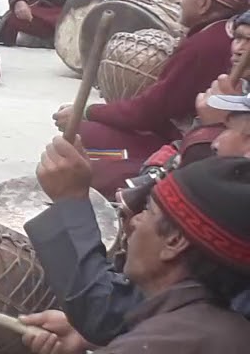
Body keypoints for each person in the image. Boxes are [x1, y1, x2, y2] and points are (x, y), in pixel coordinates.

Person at [56, 0, 250, 194]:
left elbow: (148, 112)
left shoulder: (204, 45)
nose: (179, 0)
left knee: (87, 138)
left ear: (203, 4)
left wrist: (88, 111)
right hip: (198, 137)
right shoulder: (223, 32)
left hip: (190, 145)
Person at [22, 142, 250, 353]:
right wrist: (89, 340)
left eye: (149, 211)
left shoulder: (161, 343)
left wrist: (69, 200)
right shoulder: (231, 329)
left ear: (174, 242)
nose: (135, 221)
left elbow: (102, 310)